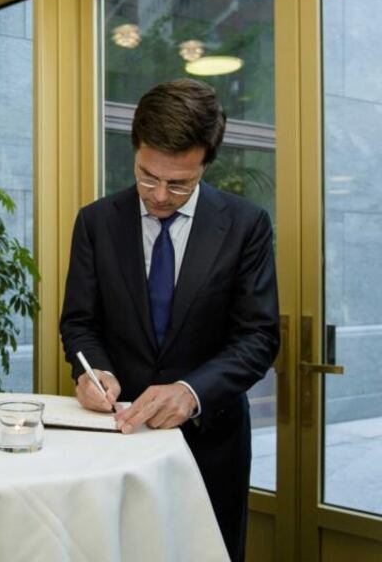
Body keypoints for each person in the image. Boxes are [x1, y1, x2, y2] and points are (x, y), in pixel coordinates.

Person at [60, 78, 280, 561]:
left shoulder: (246, 225)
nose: (159, 196)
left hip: (211, 446)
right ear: (135, 150)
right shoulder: (96, 222)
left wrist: (191, 392)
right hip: (116, 440)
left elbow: (259, 337)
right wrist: (92, 370)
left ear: (205, 163)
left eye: (180, 183)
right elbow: (79, 322)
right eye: (146, 176)